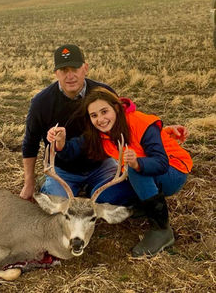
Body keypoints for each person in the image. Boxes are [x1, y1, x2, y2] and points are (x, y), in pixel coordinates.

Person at [20, 43, 189, 203]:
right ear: (56, 73)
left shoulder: (104, 92)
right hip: (64, 170)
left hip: (101, 165)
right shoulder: (41, 102)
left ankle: (144, 207)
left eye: (75, 69)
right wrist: (29, 183)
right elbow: (30, 143)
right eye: (64, 70)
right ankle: (52, 184)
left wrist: (160, 132)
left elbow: (126, 123)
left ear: (85, 68)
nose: (70, 76)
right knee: (57, 204)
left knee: (108, 198)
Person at [47, 87, 193, 257]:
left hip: (174, 171)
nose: (100, 119)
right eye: (94, 116)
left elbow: (161, 163)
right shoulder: (100, 134)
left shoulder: (140, 122)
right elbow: (73, 150)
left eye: (104, 111)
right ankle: (145, 205)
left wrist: (137, 163)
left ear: (116, 108)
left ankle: (161, 230)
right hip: (140, 173)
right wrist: (61, 142)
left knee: (133, 169)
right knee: (102, 196)